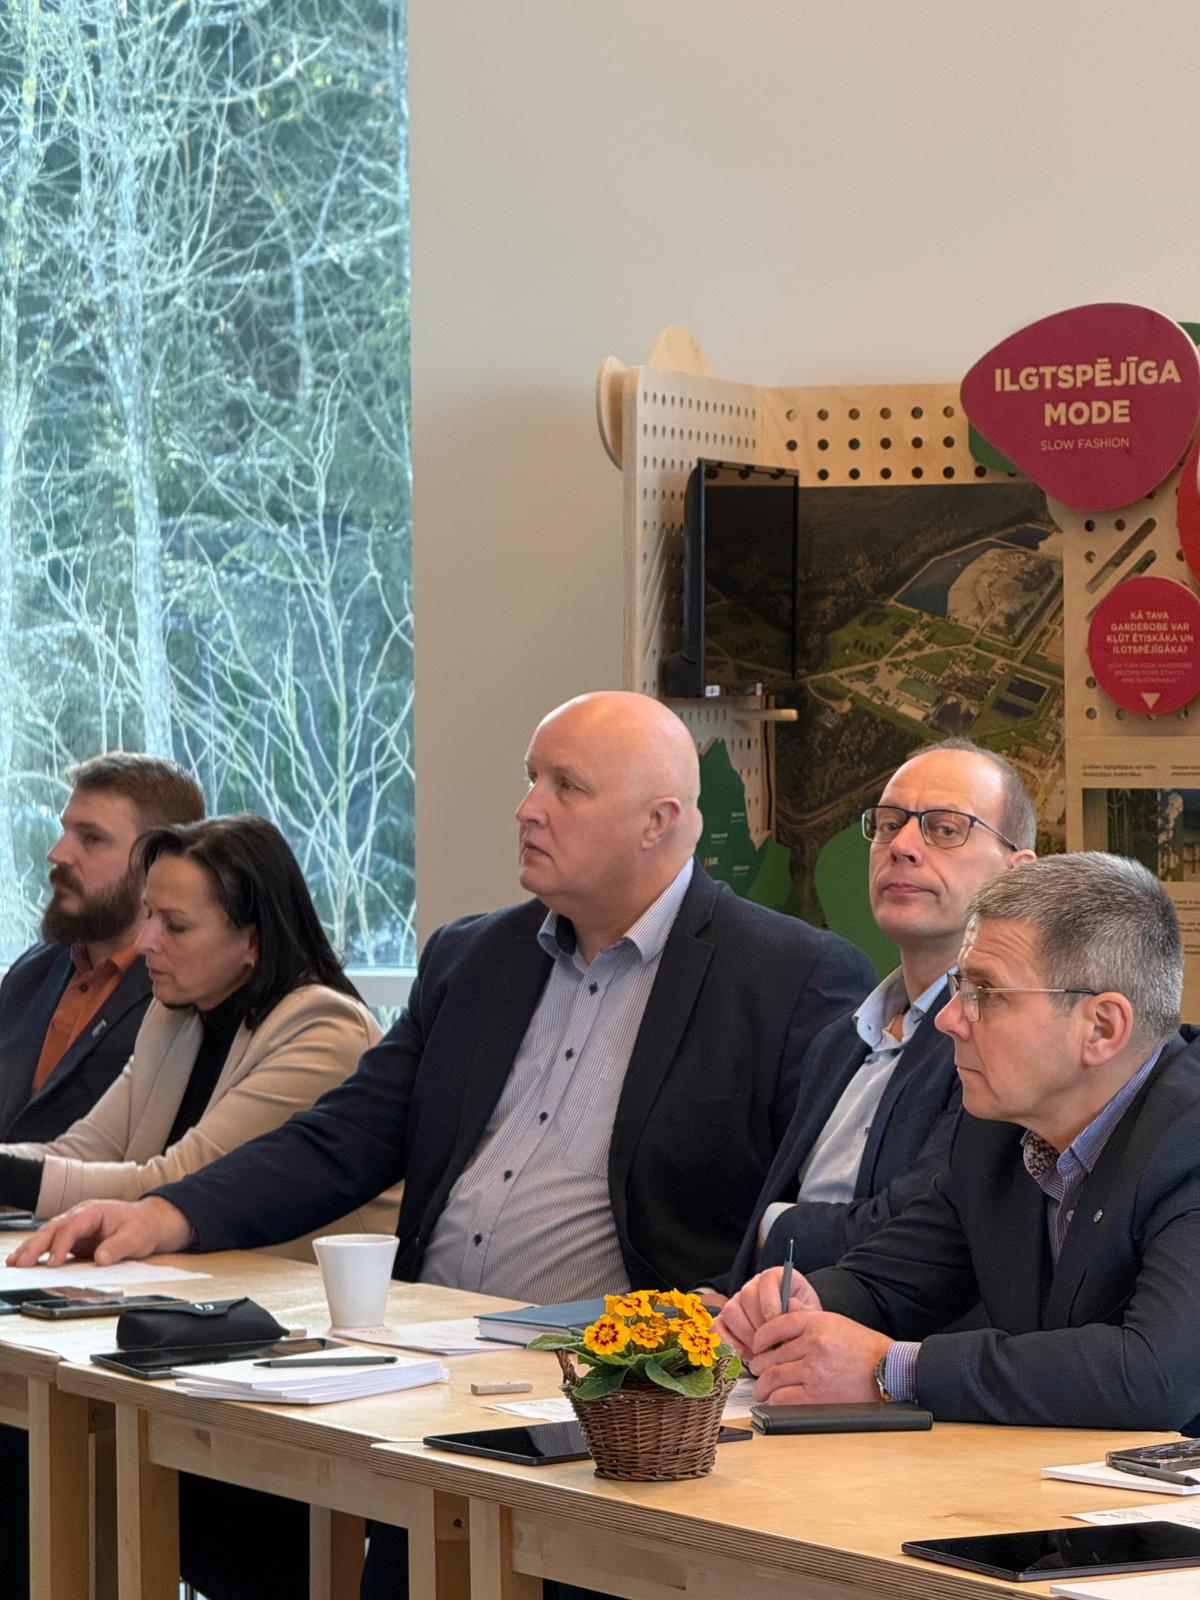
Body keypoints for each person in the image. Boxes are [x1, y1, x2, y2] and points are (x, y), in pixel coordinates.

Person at [13, 689, 874, 1600]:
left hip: (631, 1405)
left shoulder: (790, 975)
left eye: (566, 787)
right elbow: (346, 1136)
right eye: (531, 779)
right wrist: (169, 1214)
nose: (528, 808)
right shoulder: (474, 957)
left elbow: (817, 1207)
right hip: (437, 1368)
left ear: (658, 821)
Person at [716, 853, 1200, 1434]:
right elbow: (895, 1281)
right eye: (959, 987)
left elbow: (1157, 1375)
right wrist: (802, 1306)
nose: (948, 1020)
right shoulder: (995, 1132)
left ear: (1101, 1028)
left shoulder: (1188, 1138)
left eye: (986, 993)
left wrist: (889, 1369)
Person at [721, 739, 1036, 1291]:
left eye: (945, 829)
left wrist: (770, 1227)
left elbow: (916, 1237)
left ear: (1016, 873)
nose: (903, 846)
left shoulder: (1003, 1040)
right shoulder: (838, 1042)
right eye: (890, 824)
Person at [0, 814, 390, 1235]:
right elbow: (85, 1150)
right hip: (208, 1272)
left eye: (176, 925)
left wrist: (9, 1177)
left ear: (254, 940)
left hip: (305, 1277)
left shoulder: (324, 1029)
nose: (145, 941)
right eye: (149, 914)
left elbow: (181, 1186)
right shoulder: (174, 1014)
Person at [0, 754, 205, 1142]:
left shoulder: (187, 995)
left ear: (158, 860)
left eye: (91, 838)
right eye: (64, 830)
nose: (58, 853)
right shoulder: (33, 971)